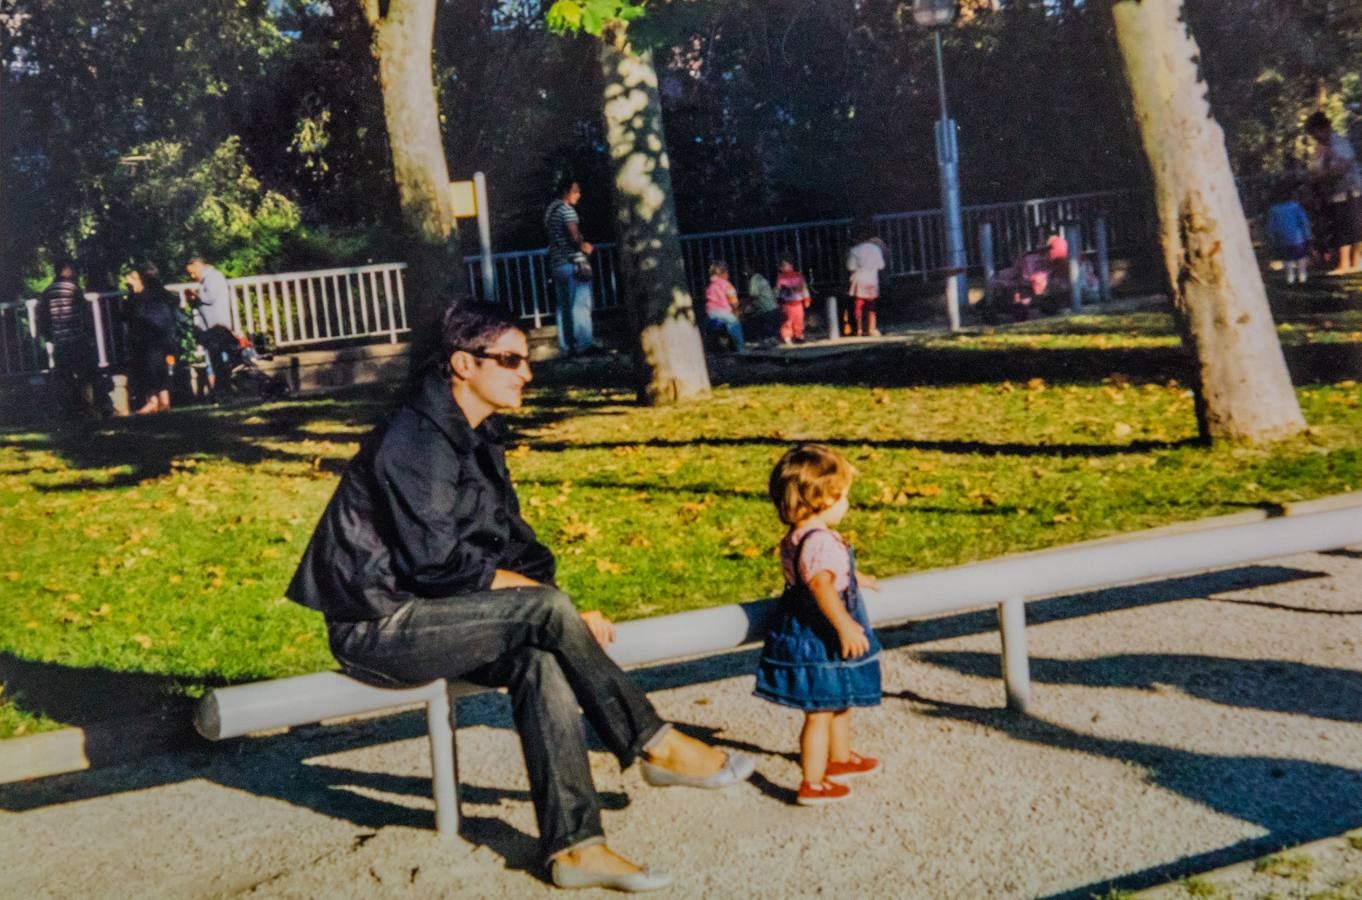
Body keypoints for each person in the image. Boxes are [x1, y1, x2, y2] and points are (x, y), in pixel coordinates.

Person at [287, 302, 754, 892]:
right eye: (510, 360)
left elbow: (512, 544)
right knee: (545, 613)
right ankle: (651, 743)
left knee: (541, 657)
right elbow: (434, 566)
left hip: (441, 614)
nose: (525, 374)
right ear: (462, 363)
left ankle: (576, 847)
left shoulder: (476, 435)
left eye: (525, 361)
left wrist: (558, 612)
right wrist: (549, 606)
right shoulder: (413, 441)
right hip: (377, 624)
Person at [754, 444, 882, 806]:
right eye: (844, 498)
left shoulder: (798, 537)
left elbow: (828, 573)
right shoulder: (820, 541)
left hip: (809, 632)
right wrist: (845, 626)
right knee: (819, 711)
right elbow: (821, 585)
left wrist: (859, 577)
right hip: (821, 636)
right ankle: (812, 781)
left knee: (839, 698)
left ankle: (840, 758)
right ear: (824, 499)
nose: (847, 505)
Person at [36, 259, 106, 417]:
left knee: (65, 376)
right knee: (85, 374)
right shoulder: (74, 288)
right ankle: (88, 407)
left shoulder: (47, 292)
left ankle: (70, 409)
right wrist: (89, 334)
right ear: (65, 271)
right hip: (77, 338)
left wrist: (49, 336)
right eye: (72, 270)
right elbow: (85, 313)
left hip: (60, 341)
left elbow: (43, 317)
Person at [1304, 111, 1362, 275]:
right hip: (1335, 193)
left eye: (1315, 133)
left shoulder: (1340, 143)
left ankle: (1353, 262)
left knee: (1353, 228)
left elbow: (1341, 168)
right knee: (1340, 228)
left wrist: (1324, 174)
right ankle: (1344, 263)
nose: (1315, 138)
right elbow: (1314, 171)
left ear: (1324, 128)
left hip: (1350, 191)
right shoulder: (1321, 149)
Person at [544, 178, 597, 355]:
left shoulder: (551, 210)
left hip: (557, 263)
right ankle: (584, 345)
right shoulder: (567, 211)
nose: (578, 195)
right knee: (580, 304)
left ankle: (566, 347)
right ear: (565, 192)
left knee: (563, 307)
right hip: (573, 263)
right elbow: (574, 237)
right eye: (575, 191)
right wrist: (585, 247)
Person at [123, 263, 181, 415]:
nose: (128, 282)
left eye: (134, 278)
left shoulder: (144, 299)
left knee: (154, 368)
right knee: (155, 369)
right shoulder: (160, 296)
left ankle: (158, 401)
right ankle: (160, 401)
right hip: (160, 340)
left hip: (154, 341)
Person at [185, 256, 234, 393]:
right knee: (214, 358)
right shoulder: (207, 279)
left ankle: (223, 388)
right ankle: (219, 389)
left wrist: (196, 294)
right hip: (210, 327)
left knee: (219, 358)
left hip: (217, 326)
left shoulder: (214, 277)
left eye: (192, 272)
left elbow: (211, 297)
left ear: (198, 265)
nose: (192, 276)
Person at [1265, 181, 1313, 284]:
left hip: (1282, 240)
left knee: (1287, 259)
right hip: (1298, 239)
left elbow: (1271, 226)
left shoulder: (1273, 210)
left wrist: (1272, 238)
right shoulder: (1295, 206)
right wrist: (1308, 234)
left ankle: (1290, 277)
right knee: (1300, 257)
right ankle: (1302, 276)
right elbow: (1303, 221)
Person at [846, 234, 886, 337]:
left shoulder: (854, 250)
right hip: (872, 279)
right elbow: (881, 266)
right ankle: (871, 328)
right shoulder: (876, 249)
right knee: (871, 305)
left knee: (859, 304)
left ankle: (859, 329)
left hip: (859, 279)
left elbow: (850, 267)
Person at [703, 261, 745, 353]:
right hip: (724, 312)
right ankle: (741, 349)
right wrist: (736, 310)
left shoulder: (710, 286)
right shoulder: (727, 285)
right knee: (735, 325)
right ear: (724, 273)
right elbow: (734, 302)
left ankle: (717, 349)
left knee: (716, 331)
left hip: (711, 313)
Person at [774, 256, 812, 345]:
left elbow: (804, 288)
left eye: (786, 265)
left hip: (798, 303)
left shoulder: (799, 276)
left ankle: (799, 335)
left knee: (799, 320)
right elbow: (778, 290)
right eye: (782, 266)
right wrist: (778, 300)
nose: (783, 267)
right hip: (786, 304)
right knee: (787, 321)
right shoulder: (780, 278)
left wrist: (806, 299)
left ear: (792, 265)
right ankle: (787, 336)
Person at [741, 263, 780, 345]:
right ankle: (771, 339)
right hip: (771, 306)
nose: (745, 271)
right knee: (770, 326)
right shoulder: (761, 277)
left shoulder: (755, 279)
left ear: (751, 269)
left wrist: (746, 304)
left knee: (763, 324)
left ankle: (766, 340)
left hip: (764, 307)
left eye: (747, 268)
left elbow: (753, 294)